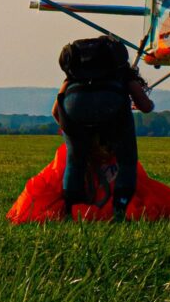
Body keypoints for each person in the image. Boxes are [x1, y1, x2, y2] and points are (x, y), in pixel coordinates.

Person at [52, 37, 154, 221]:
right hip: (111, 105)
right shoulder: (121, 73)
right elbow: (145, 106)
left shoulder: (73, 76)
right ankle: (120, 208)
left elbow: (55, 111)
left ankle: (71, 210)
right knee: (127, 161)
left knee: (75, 162)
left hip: (73, 106)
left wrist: (78, 136)